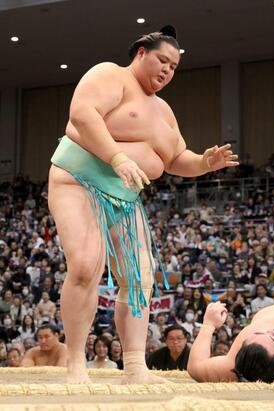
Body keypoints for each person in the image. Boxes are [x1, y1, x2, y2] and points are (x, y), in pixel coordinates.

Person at [47, 27, 238, 384]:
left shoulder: (164, 111)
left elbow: (175, 157)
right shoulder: (111, 76)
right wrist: (118, 157)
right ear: (140, 53)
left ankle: (135, 365)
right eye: (162, 60)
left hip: (124, 196)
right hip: (78, 180)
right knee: (87, 266)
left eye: (174, 66)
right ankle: (75, 361)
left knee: (139, 277)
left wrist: (203, 163)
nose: (167, 70)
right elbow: (82, 114)